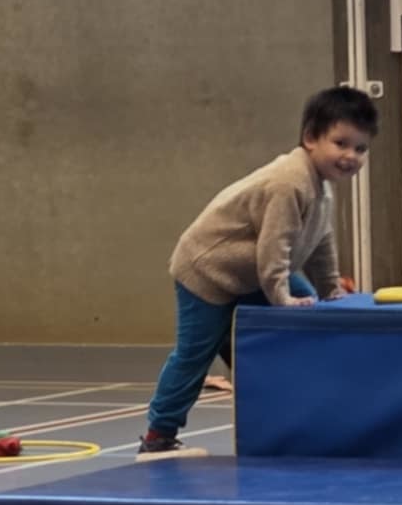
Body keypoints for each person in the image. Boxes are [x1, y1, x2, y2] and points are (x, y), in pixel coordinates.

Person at [139, 86, 378, 454]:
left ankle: (286, 419)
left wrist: (331, 288)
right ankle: (158, 438)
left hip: (252, 273)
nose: (351, 156)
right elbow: (274, 247)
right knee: (194, 355)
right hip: (208, 273)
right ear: (310, 138)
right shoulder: (289, 182)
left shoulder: (321, 187)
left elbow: (321, 239)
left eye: (360, 148)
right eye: (341, 143)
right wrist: (281, 297)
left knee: (308, 318)